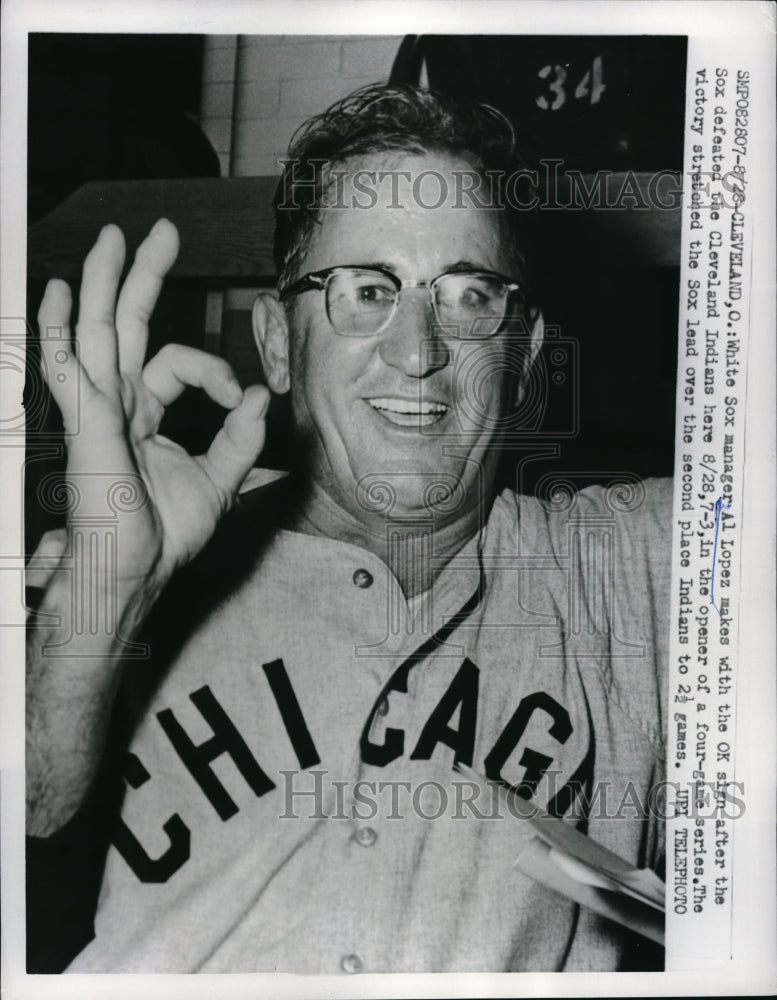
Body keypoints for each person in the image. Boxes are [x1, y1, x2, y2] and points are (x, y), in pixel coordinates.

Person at [26, 84, 671, 974]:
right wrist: (106, 595)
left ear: (522, 353)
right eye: (367, 290)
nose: (417, 350)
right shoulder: (118, 562)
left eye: (469, 295)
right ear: (280, 345)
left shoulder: (631, 568)